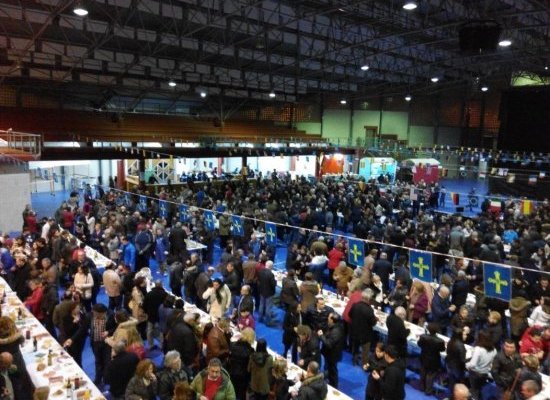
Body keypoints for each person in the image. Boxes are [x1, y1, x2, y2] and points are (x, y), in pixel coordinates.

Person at [349, 288, 377, 366]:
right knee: (365, 350)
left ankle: (354, 360)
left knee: (355, 347)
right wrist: (375, 319)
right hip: (365, 334)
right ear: (369, 299)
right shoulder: (369, 310)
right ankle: (364, 364)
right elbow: (373, 323)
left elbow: (350, 315)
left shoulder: (355, 305)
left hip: (354, 331)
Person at [465, 330, 496, 400]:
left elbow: (472, 364)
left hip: (475, 373)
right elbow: (491, 362)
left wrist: (466, 365)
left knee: (474, 390)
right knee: (480, 388)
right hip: (485, 373)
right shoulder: (494, 350)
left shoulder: (478, 349)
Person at [317, 312, 345, 388]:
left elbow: (329, 344)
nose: (327, 318)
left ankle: (334, 386)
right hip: (330, 354)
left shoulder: (336, 331)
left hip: (333, 355)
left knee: (333, 371)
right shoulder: (334, 326)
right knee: (329, 369)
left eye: (329, 317)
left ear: (332, 320)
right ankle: (329, 380)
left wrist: (321, 336)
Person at [417, 322, 445, 395]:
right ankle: (428, 390)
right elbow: (442, 350)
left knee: (423, 371)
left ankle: (422, 387)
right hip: (434, 360)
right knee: (430, 375)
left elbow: (419, 344)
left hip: (424, 357)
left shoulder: (423, 336)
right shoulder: (440, 341)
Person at [228, 328, 255, 400]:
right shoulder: (251, 351)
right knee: (241, 395)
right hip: (243, 376)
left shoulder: (233, 345)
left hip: (232, 372)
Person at [143, 280, 167, 349]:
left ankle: (150, 345)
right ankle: (162, 345)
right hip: (160, 315)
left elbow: (144, 305)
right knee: (161, 331)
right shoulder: (164, 294)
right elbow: (166, 305)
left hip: (151, 315)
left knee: (149, 330)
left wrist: (147, 312)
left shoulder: (149, 294)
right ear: (161, 285)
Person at [257, 260, 277, 325]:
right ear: (271, 266)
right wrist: (275, 281)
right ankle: (268, 321)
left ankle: (260, 318)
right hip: (269, 293)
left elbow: (259, 280)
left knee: (261, 305)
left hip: (262, 291)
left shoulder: (260, 271)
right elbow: (273, 284)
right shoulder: (271, 274)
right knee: (268, 307)